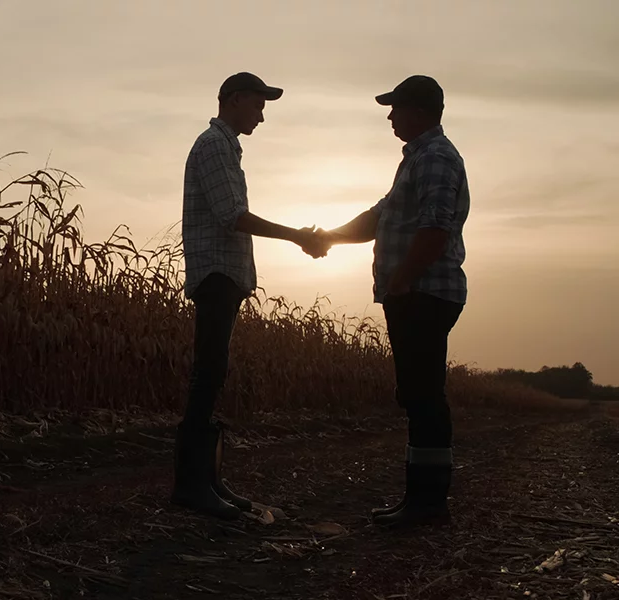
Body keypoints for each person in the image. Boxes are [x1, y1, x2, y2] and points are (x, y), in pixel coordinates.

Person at [310, 75, 470, 528]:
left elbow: (435, 228)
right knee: (418, 393)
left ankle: (428, 503)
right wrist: (330, 239)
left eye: (396, 107)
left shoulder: (436, 157)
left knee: (424, 395)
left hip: (423, 293)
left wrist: (402, 279)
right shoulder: (418, 159)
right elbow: (381, 217)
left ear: (419, 110)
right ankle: (422, 498)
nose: (390, 115)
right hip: (415, 292)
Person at [173, 72, 323, 520]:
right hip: (216, 271)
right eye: (258, 105)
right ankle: (191, 485)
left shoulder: (225, 148)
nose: (261, 115)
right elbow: (231, 216)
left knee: (214, 370)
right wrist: (296, 235)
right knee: (208, 371)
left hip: (226, 273)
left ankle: (208, 480)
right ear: (234, 100)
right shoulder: (215, 146)